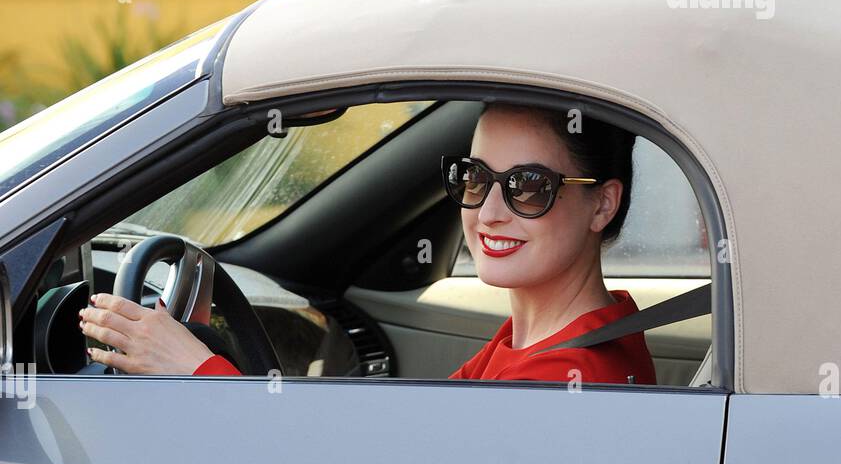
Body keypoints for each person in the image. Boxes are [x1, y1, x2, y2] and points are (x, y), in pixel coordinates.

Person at [78, 103, 655, 386]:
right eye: (475, 178)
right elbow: (404, 445)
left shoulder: (563, 376)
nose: (488, 211)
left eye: (529, 187)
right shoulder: (549, 340)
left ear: (602, 203)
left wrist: (197, 369)